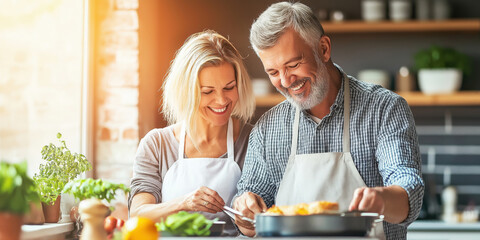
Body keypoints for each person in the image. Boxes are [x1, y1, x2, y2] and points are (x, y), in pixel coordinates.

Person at [232, 2, 424, 240]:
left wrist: (382, 200)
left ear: (323, 49)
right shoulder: (267, 129)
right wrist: (245, 214)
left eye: (293, 64)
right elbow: (249, 215)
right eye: (273, 72)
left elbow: (408, 189)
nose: (285, 80)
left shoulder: (383, 109)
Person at [128, 30, 255, 236]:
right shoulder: (157, 144)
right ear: (186, 91)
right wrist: (185, 203)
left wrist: (250, 220)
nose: (222, 100)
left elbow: (258, 225)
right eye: (208, 91)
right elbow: (138, 215)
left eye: (229, 87)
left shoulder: (253, 140)